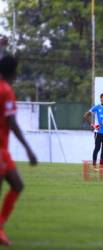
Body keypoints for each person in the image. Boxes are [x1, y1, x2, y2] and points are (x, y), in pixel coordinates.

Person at [0, 55, 37, 246]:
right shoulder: (6, 91)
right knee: (15, 185)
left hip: (3, 150)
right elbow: (12, 123)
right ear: (13, 72)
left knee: (17, 184)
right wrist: (29, 149)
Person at [84, 93, 103, 170]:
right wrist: (92, 125)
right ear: (101, 98)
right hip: (98, 131)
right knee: (97, 148)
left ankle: (101, 166)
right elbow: (86, 115)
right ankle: (94, 165)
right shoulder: (97, 107)